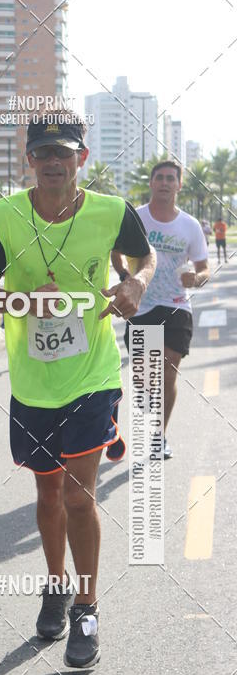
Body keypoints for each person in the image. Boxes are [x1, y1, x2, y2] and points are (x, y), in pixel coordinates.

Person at [0, 113, 155, 669]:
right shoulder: (3, 216)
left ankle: (88, 606)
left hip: (92, 374)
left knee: (79, 495)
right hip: (31, 381)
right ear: (29, 160)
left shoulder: (110, 212)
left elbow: (145, 258)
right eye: (43, 153)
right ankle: (55, 584)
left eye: (64, 153)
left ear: (82, 158)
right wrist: (22, 303)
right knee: (47, 496)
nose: (54, 162)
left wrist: (133, 283)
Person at [113, 160, 209, 459]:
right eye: (160, 178)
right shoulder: (135, 218)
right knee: (144, 375)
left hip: (176, 303)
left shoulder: (190, 226)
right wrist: (126, 278)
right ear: (152, 182)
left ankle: (159, 436)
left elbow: (205, 266)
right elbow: (115, 254)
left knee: (168, 369)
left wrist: (198, 278)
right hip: (141, 305)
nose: (165, 183)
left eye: (171, 178)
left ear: (179, 185)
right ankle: (145, 398)